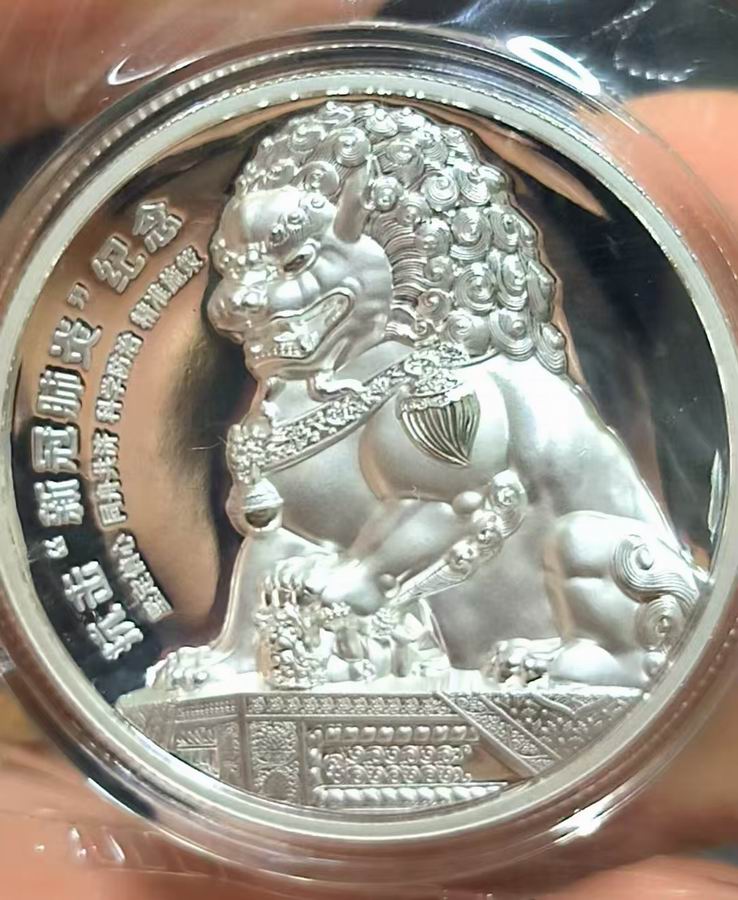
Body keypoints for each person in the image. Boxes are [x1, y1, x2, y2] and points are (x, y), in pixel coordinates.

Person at [1, 2, 738, 896]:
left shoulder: (446, 386)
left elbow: (448, 505)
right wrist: (237, 652)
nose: (242, 303)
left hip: (612, 606)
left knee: (591, 548)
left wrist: (361, 579)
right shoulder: (306, 403)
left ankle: (607, 653)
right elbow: (277, 540)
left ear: (374, 243)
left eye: (290, 266)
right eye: (237, 272)